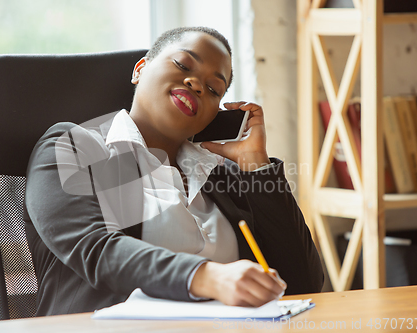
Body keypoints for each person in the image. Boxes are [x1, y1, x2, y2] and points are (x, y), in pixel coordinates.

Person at [24, 26, 323, 316]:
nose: (195, 84)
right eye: (183, 64)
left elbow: (303, 282)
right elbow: (97, 249)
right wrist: (209, 278)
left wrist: (256, 168)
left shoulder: (223, 177)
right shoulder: (75, 148)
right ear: (140, 69)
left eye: (213, 89)